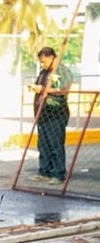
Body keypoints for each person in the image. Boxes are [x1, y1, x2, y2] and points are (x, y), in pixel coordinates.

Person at [28, 46, 73, 185]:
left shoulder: (62, 71)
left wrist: (45, 90)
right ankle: (44, 172)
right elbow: (39, 87)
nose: (42, 64)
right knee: (43, 145)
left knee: (55, 144)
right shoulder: (43, 73)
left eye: (44, 61)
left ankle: (58, 174)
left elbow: (64, 90)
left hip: (56, 114)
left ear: (51, 58)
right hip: (43, 114)